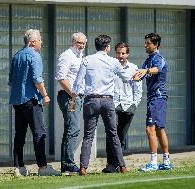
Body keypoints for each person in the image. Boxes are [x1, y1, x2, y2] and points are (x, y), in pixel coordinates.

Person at [70, 34, 136, 176]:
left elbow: (77, 84)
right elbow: (126, 78)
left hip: (91, 100)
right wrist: (140, 74)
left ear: (95, 46)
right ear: (107, 47)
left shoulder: (86, 60)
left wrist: (73, 100)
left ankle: (83, 168)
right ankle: (122, 166)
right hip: (107, 100)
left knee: (88, 135)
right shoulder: (114, 62)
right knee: (113, 135)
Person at [9, 29, 60, 176]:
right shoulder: (35, 56)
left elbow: (11, 80)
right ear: (32, 42)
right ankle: (43, 167)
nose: (41, 42)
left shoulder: (17, 55)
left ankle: (19, 167)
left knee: (20, 134)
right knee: (39, 133)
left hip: (17, 101)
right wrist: (45, 95)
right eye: (39, 40)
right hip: (31, 99)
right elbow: (37, 79)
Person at [134, 33, 172, 171]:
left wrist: (146, 70)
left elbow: (158, 69)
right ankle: (166, 161)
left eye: (148, 43)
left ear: (155, 45)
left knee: (150, 129)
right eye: (145, 43)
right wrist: (135, 75)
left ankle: (153, 163)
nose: (145, 45)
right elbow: (139, 74)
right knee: (159, 129)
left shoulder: (158, 58)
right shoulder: (148, 60)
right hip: (153, 98)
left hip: (158, 97)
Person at [103, 42, 143, 173]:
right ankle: (111, 165)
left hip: (128, 106)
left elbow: (138, 89)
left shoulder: (133, 68)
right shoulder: (110, 67)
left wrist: (134, 104)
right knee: (111, 134)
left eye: (123, 53)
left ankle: (117, 163)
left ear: (128, 54)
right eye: (118, 53)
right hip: (113, 105)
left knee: (121, 136)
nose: (120, 56)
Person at [55, 32, 87, 174]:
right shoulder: (67, 55)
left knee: (72, 128)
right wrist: (74, 96)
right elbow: (61, 78)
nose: (81, 45)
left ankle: (66, 164)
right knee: (73, 129)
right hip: (69, 97)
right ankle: (68, 163)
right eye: (79, 43)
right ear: (73, 42)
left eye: (83, 43)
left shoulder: (80, 56)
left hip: (76, 97)